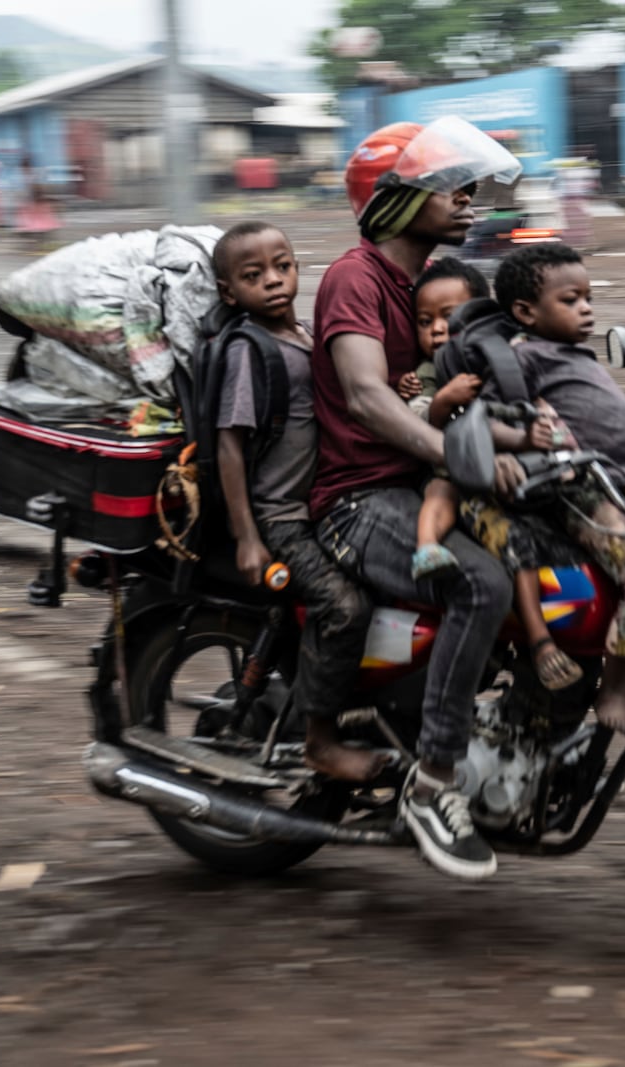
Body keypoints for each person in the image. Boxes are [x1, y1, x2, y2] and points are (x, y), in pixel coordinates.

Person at [310, 118, 525, 881]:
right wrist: (460, 458)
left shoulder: (434, 287)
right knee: (482, 581)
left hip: (410, 486)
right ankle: (434, 782)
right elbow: (369, 400)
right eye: (449, 185)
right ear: (395, 198)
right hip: (356, 500)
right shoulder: (355, 278)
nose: (467, 199)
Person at [211, 220, 386, 784]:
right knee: (345, 608)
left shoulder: (309, 337)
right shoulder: (250, 350)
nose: (273, 281)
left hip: (322, 505)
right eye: (252, 275)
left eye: (281, 266)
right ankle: (320, 741)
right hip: (280, 517)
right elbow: (230, 444)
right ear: (228, 292)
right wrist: (247, 536)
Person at [490, 243, 625, 735]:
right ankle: (613, 688)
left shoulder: (575, 355)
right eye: (571, 300)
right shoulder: (522, 360)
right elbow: (494, 417)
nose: (586, 308)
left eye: (588, 297)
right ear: (526, 312)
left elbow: (586, 417)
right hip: (585, 495)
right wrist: (511, 443)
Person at [397, 256, 584, 692]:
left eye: (449, 317)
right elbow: (421, 423)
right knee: (507, 539)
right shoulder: (427, 374)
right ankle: (539, 642)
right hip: (460, 479)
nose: (437, 330)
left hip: (519, 479)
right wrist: (444, 398)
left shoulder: (509, 359)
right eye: (425, 322)